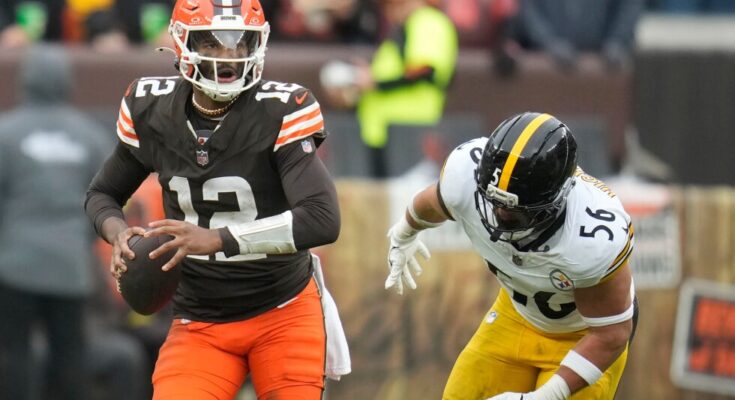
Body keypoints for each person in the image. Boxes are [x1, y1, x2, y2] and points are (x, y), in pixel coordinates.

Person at [84, 0, 350, 398]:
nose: (228, 55)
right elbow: (102, 193)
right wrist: (117, 231)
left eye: (240, 43)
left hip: (283, 310)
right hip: (200, 318)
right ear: (182, 43)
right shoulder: (152, 108)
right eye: (212, 43)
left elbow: (322, 219)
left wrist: (218, 239)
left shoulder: (280, 109)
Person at [385, 112, 638, 399]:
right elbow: (433, 201)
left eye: (516, 210)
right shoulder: (465, 179)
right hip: (516, 317)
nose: (500, 214)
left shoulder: (591, 236)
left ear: (557, 200)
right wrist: (405, 231)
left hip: (581, 337)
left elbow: (611, 334)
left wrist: (545, 396)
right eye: (493, 201)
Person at [0, 44, 112, 400]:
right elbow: (106, 200)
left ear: (26, 80)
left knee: (13, 355)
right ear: (66, 81)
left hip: (14, 265)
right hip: (70, 268)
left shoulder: (6, 133)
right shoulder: (89, 136)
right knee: (71, 356)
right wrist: (78, 240)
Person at [321, 0, 458, 178]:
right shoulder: (406, 26)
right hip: (384, 131)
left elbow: (424, 70)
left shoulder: (427, 20)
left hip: (407, 129)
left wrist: (374, 82)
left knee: (403, 191)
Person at [514, 0, 643, 71]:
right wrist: (549, 43)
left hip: (602, 67)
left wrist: (616, 41)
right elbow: (527, 10)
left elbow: (628, 6)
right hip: (541, 65)